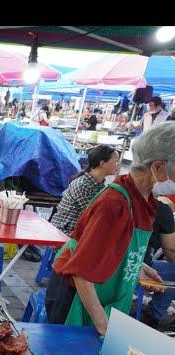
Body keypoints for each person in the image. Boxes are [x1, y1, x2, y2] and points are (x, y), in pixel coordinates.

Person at [45, 122, 175, 335]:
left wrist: (137, 265)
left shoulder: (144, 198)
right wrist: (103, 324)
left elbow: (114, 244)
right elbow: (81, 271)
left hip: (105, 292)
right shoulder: (115, 203)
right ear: (158, 167)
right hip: (78, 296)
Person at [51, 146, 120, 236]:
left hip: (79, 233)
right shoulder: (83, 185)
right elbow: (97, 215)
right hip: (65, 235)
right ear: (102, 163)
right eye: (115, 161)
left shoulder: (100, 184)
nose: (118, 164)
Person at [140, 191, 175, 330]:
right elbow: (171, 251)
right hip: (137, 265)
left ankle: (153, 314)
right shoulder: (161, 210)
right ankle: (154, 315)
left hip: (132, 262)